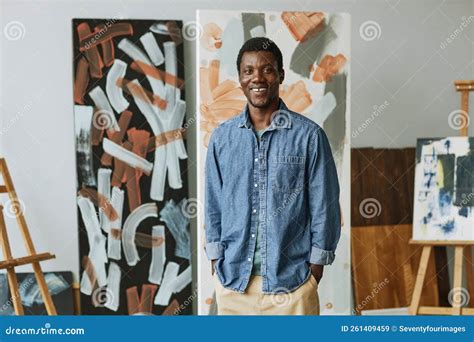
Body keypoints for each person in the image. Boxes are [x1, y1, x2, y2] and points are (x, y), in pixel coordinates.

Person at [204, 37, 341, 315]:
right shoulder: (222, 139)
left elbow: (324, 205)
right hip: (233, 285)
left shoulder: (309, 137)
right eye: (248, 70)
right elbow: (214, 203)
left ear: (280, 75)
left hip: (292, 286)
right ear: (240, 77)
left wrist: (315, 271)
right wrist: (216, 257)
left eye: (267, 69)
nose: (258, 78)